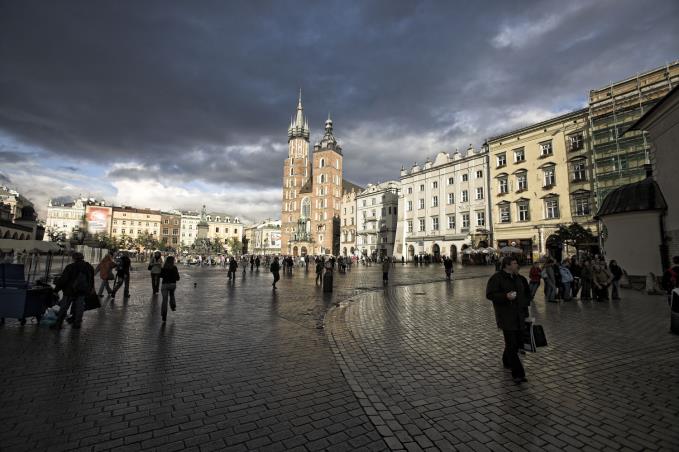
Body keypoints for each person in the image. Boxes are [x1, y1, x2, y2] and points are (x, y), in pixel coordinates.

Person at [486, 257, 531, 384]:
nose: (517, 264)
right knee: (512, 345)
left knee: (516, 344)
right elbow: (490, 294)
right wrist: (505, 296)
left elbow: (526, 294)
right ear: (507, 265)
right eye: (515, 262)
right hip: (506, 316)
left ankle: (506, 361)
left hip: (519, 316)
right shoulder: (497, 278)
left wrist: (526, 309)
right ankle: (518, 374)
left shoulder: (519, 278)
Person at [52, 252, 95, 330]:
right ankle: (77, 324)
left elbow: (63, 280)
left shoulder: (70, 267)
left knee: (64, 308)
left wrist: (56, 289)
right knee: (79, 308)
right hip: (82, 291)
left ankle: (58, 324)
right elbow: (91, 280)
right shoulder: (89, 267)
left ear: (74, 258)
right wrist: (90, 289)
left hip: (70, 291)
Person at [159, 256, 180, 322]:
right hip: (172, 285)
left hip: (165, 284)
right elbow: (178, 278)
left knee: (164, 300)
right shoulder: (174, 268)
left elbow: (160, 276)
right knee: (172, 295)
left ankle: (164, 315)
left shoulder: (163, 268)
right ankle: (173, 306)